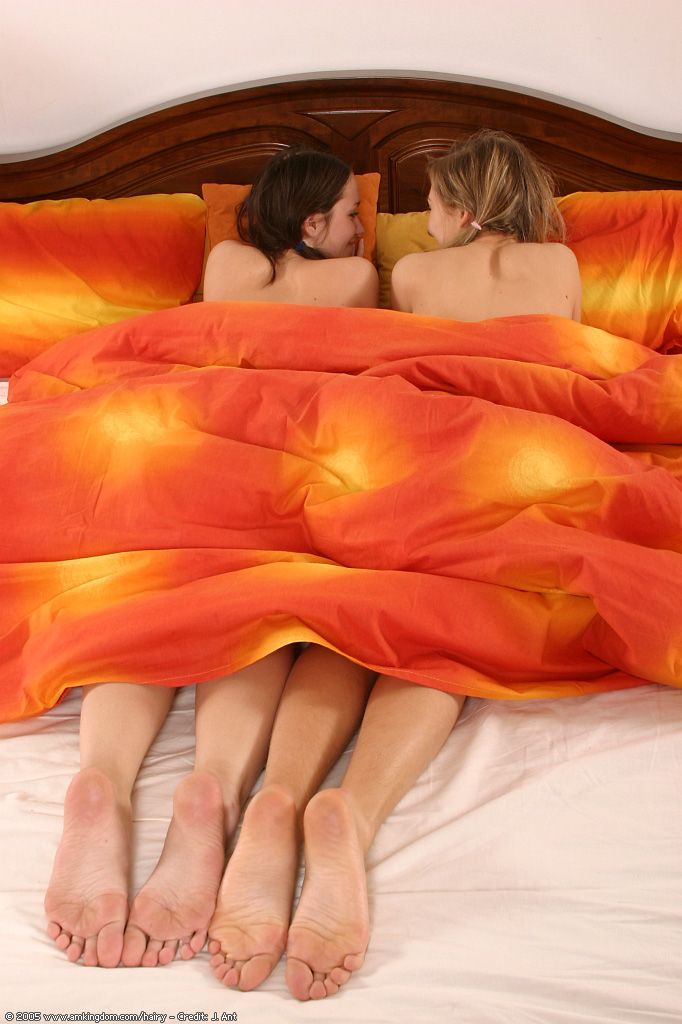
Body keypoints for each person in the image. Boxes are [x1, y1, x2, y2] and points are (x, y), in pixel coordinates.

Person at [206, 130, 582, 1001]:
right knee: (450, 619)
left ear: (464, 210)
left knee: (349, 607)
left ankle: (279, 793)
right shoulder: (560, 263)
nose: (423, 224)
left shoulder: (409, 277)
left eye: (435, 205)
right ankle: (353, 810)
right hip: (524, 460)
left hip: (409, 454)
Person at [43, 148, 379, 971]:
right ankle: (215, 785)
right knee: (258, 606)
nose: (362, 228)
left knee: (155, 589)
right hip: (293, 447)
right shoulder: (355, 278)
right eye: (351, 213)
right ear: (313, 224)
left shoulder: (225, 261)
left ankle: (103, 776)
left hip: (187, 437)